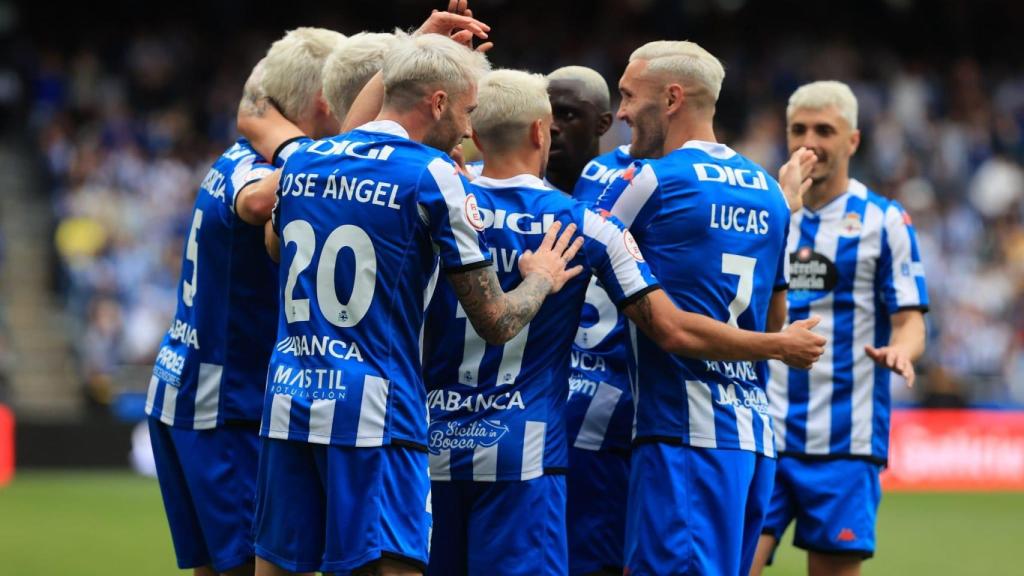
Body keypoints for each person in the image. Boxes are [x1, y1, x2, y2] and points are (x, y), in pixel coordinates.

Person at [423, 68, 826, 576]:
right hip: (535, 451)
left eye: (630, 97)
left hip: (432, 447)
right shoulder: (587, 222)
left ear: (473, 132)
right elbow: (672, 327)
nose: (626, 112)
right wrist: (776, 342)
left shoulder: (434, 201)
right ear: (540, 131)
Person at [253, 33, 584, 576]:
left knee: (278, 568)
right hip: (376, 414)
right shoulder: (432, 175)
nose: (469, 130)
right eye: (467, 111)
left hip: (290, 398)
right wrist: (541, 279)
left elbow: (273, 245)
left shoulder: (305, 161)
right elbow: (497, 321)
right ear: (437, 103)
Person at [599, 40, 817, 576]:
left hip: (684, 437)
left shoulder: (649, 180)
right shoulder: (770, 194)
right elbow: (771, 318)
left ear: (672, 98)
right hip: (750, 440)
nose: (621, 112)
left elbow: (573, 237)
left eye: (628, 96)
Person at [751, 80, 928, 576]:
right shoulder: (762, 212)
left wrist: (902, 351)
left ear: (852, 140)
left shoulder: (884, 221)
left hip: (845, 441)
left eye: (824, 130)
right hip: (762, 429)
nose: (809, 141)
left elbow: (911, 320)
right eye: (798, 129)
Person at [143, 57, 283, 576]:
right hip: (219, 404)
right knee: (248, 568)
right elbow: (256, 203)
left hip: (183, 387)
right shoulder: (261, 171)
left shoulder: (232, 156)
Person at [544, 64, 635, 576]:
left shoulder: (636, 186)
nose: (553, 126)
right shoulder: (505, 189)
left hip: (603, 422)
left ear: (603, 123)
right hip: (524, 415)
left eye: (569, 115)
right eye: (547, 114)